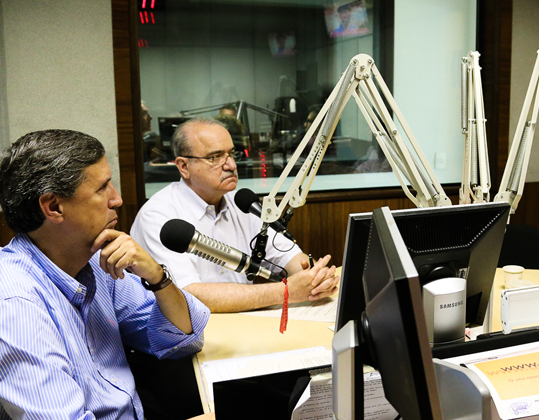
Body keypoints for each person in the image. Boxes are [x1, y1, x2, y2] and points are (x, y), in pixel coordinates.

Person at [0, 129, 210, 418]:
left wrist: (157, 277)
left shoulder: (96, 264)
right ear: (53, 207)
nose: (118, 200)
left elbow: (182, 339)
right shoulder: (14, 302)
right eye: (103, 188)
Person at [131, 118, 339, 313]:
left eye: (231, 154)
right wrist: (285, 292)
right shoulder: (158, 215)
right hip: (186, 333)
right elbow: (187, 295)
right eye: (215, 157)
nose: (230, 165)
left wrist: (315, 277)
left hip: (242, 323)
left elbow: (287, 255)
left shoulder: (241, 202)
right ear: (184, 167)